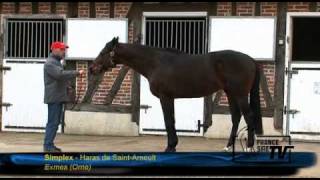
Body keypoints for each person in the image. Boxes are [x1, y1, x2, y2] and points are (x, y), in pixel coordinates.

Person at [43, 41, 85, 152]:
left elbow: (60, 77)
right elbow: (60, 75)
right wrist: (77, 73)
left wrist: (68, 87)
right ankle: (47, 146)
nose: (64, 52)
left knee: (55, 122)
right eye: (62, 50)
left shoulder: (56, 62)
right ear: (54, 49)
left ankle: (49, 145)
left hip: (58, 97)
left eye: (64, 49)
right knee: (53, 122)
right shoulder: (50, 63)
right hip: (54, 98)